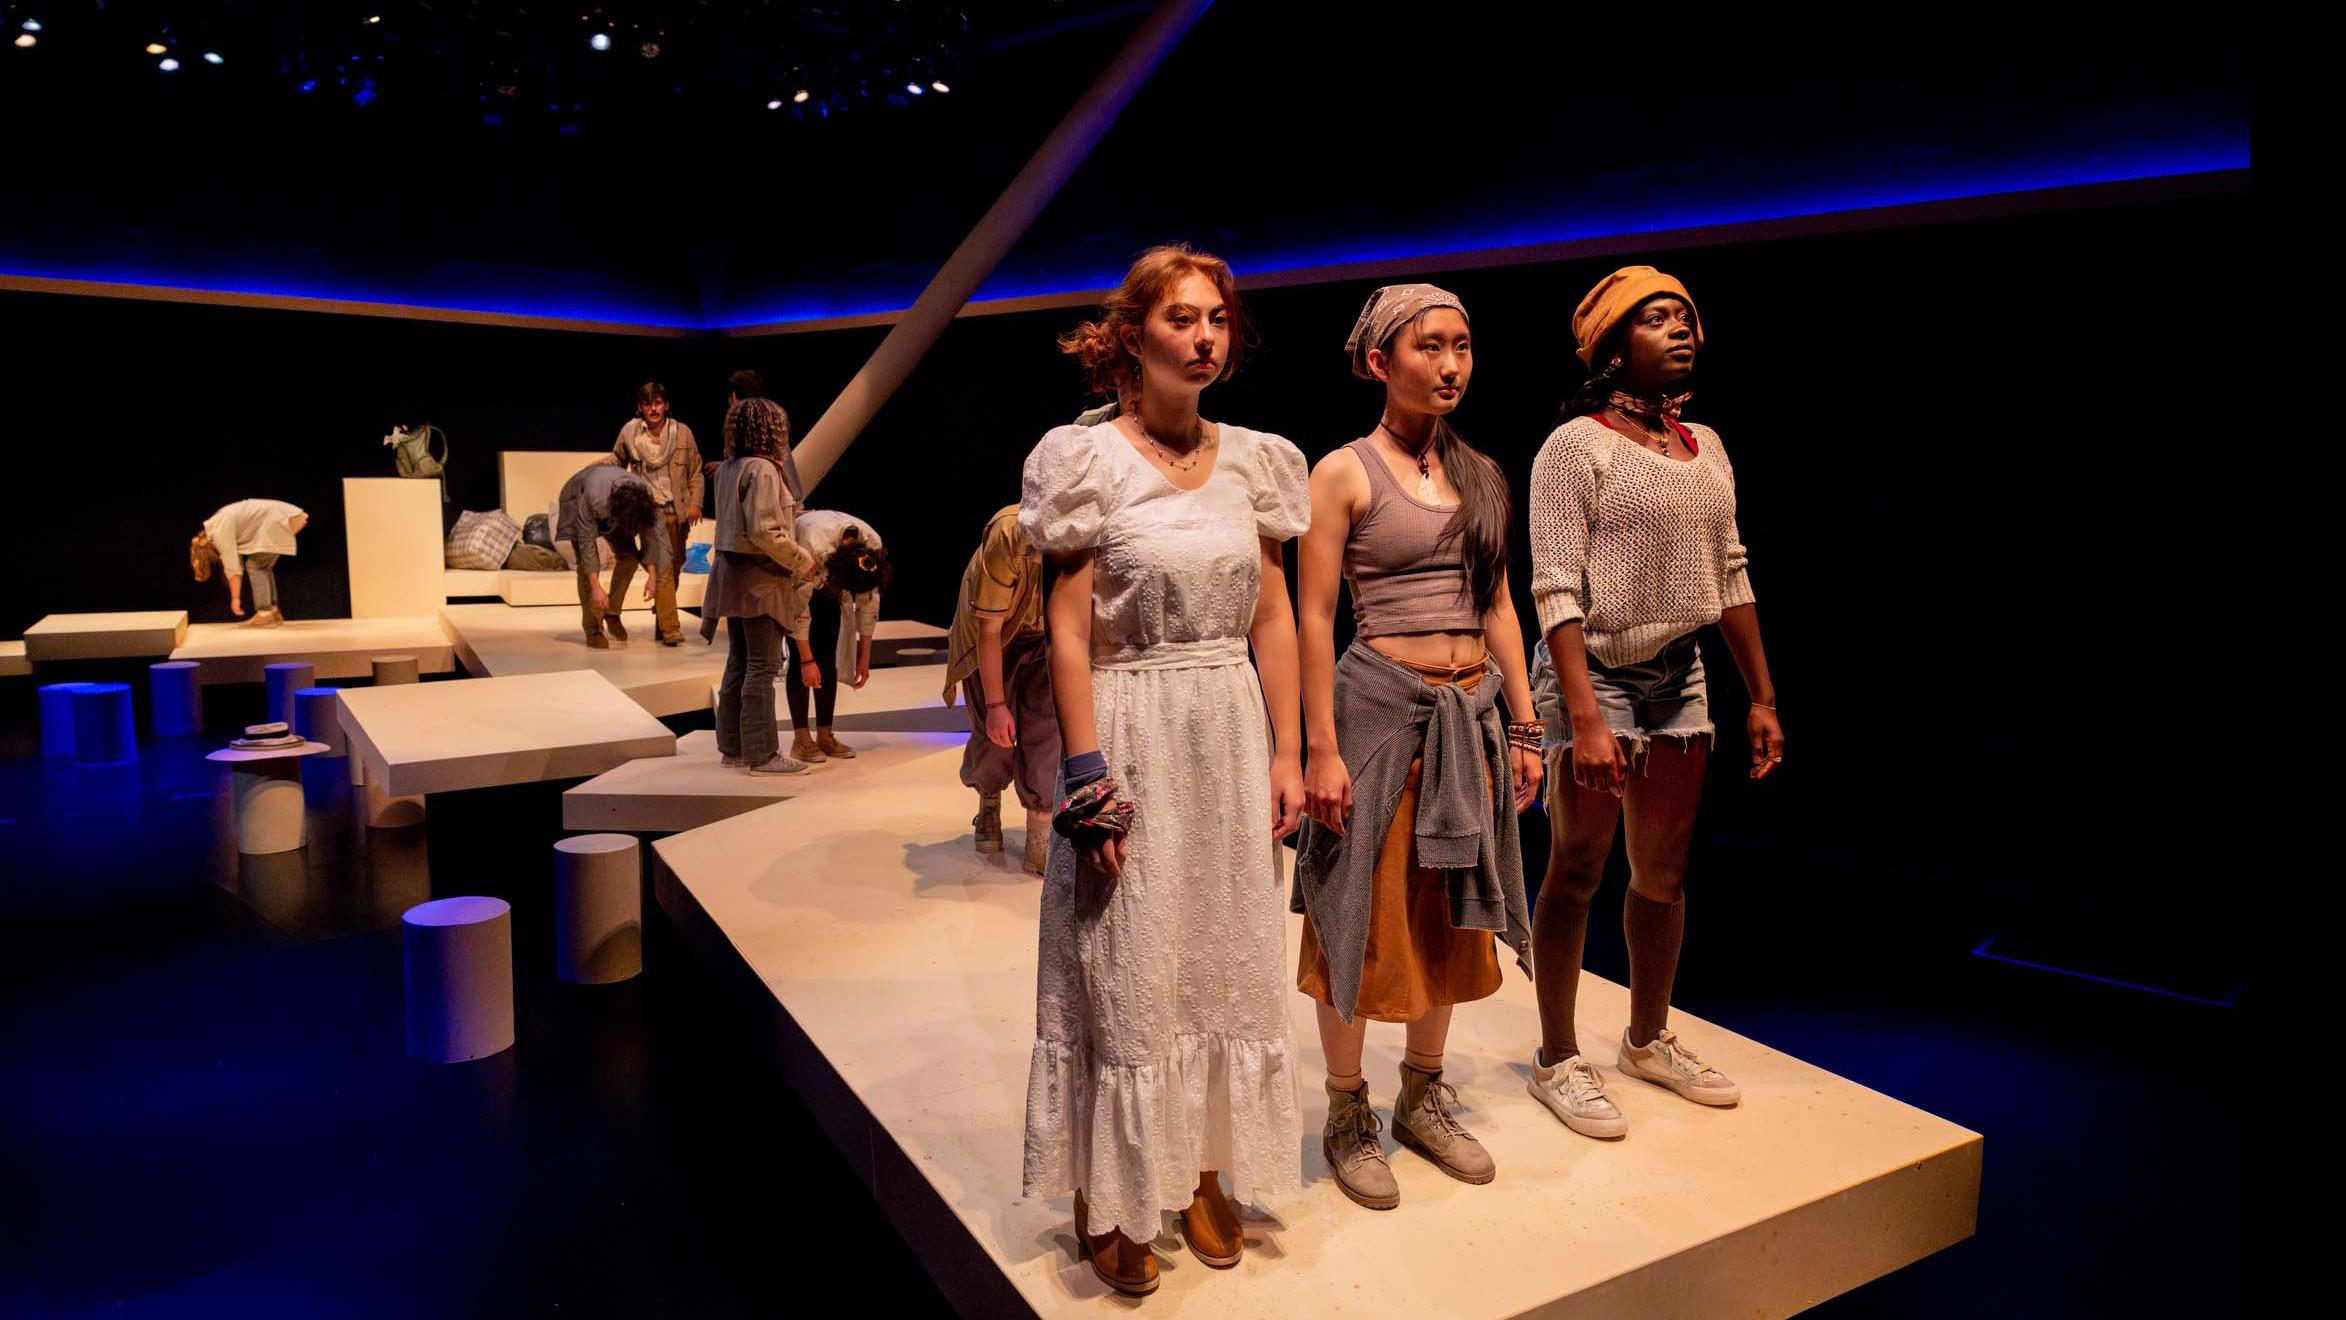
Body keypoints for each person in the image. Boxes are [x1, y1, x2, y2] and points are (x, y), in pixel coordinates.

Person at [1020, 245, 1309, 1296]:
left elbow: (1271, 613)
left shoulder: (1258, 460)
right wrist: (1086, 778)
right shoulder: (1083, 462)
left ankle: (1196, 1166)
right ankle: (1111, 1195)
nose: (1205, 336)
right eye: (1182, 318)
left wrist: (1288, 748)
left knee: (1221, 951)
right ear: (1130, 336)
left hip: (1227, 727)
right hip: (1132, 719)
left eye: (1218, 319)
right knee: (1127, 965)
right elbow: (1065, 630)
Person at [1291, 285, 1539, 1210]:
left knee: (1447, 906)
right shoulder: (1343, 473)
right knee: (1355, 908)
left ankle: (1423, 1096)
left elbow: (1499, 606)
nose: (1450, 363)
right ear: (1377, 361)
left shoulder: (1482, 476)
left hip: (1468, 715)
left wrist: (1524, 725)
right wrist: (1319, 748)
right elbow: (1315, 616)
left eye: (1463, 345)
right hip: (1377, 716)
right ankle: (1347, 1108)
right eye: (1429, 345)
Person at [1523, 265, 1786, 1137]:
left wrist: (1762, 696)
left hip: (1682, 674)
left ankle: (1646, 1037)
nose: (1679, 330)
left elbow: (1732, 571)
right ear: (1610, 344)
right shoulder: (1576, 447)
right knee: (1576, 869)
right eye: (1655, 318)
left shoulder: (1707, 444)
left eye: (1685, 317)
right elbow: (1555, 589)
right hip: (1593, 673)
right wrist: (1586, 718)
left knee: (1663, 875)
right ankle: (1557, 1057)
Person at [943, 504, 1060, 874]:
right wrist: (995, 704)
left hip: (1047, 636)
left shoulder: (1095, 525)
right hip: (990, 633)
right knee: (995, 732)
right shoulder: (1010, 531)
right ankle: (989, 803)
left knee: (1049, 729)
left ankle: (1040, 830)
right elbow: (988, 631)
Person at [707, 397, 819, 775]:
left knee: (739, 661)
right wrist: (805, 560)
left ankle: (733, 747)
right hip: (760, 578)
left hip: (731, 574)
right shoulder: (764, 470)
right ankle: (762, 754)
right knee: (762, 665)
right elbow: (765, 531)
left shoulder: (726, 468)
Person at [781, 510, 891, 764]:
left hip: (827, 577)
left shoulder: (871, 547)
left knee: (827, 656)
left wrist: (864, 658)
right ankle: (801, 740)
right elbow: (798, 610)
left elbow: (868, 602)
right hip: (794, 577)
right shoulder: (813, 546)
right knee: (801, 663)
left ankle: (825, 735)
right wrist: (807, 660)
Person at [598, 380, 702, 646]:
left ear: (665, 405)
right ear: (640, 407)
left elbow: (695, 472)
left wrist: (696, 504)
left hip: (676, 511)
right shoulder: (631, 432)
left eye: (657, 403)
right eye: (647, 404)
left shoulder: (682, 433)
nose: (653, 409)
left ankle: (660, 620)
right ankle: (670, 629)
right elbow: (617, 460)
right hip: (647, 510)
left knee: (675, 566)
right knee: (665, 566)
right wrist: (600, 466)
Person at [554, 464, 662, 650]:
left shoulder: (643, 498)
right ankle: (593, 629)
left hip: (616, 504)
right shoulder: (595, 498)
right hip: (575, 496)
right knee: (585, 567)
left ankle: (612, 612)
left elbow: (649, 535)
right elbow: (586, 544)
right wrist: (597, 588)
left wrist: (652, 576)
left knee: (629, 557)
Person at [190, 499, 309, 627]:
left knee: (256, 567)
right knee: (263, 567)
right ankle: (273, 613)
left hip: (279, 518)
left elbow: (233, 568)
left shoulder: (218, 532)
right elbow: (236, 563)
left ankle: (265, 615)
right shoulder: (217, 523)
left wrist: (235, 599)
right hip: (287, 515)